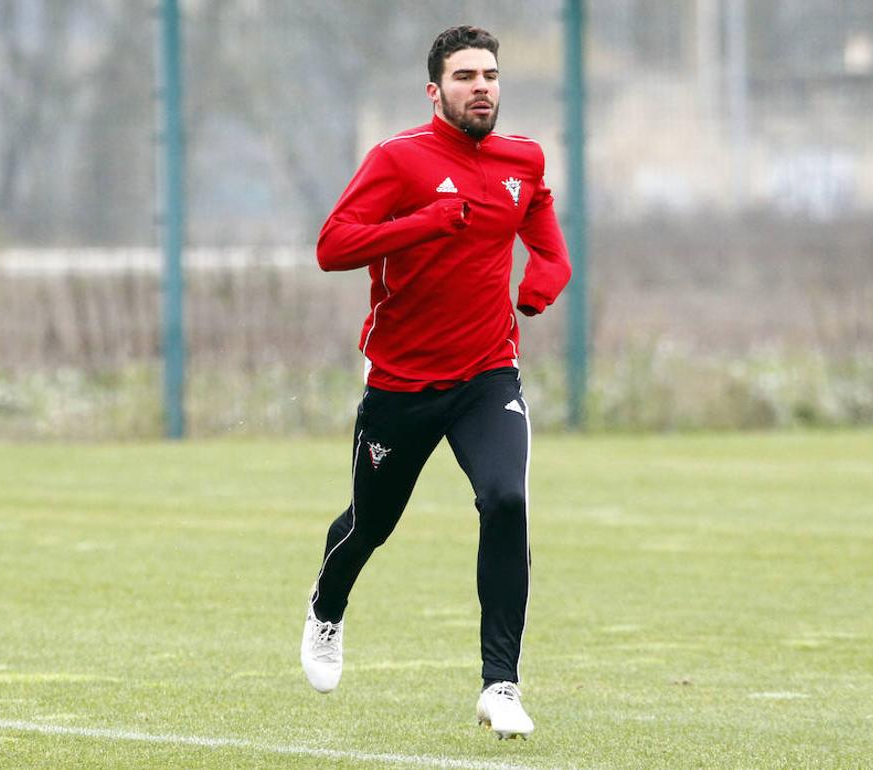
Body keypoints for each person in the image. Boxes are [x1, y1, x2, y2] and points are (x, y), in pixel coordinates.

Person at [300, 25, 572, 740]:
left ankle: (501, 684)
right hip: (402, 381)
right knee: (372, 524)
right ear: (435, 90)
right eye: (464, 76)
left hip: (487, 373)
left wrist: (543, 281)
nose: (481, 86)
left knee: (506, 499)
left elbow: (546, 240)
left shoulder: (523, 160)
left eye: (489, 75)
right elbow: (333, 247)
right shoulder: (399, 160)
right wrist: (422, 222)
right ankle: (327, 606)